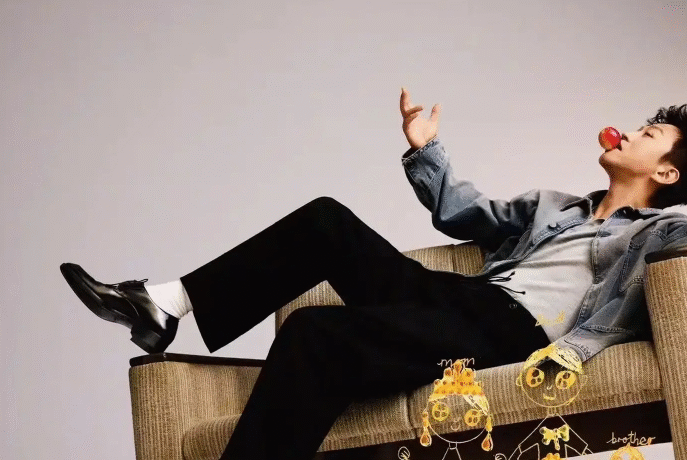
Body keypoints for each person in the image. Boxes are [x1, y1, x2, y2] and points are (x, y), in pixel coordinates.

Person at [60, 89, 686, 460]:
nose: (629, 132)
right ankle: (164, 303)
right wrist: (425, 149)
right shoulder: (557, 206)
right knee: (326, 221)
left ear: (667, 173)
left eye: (648, 133)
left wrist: (576, 349)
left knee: (313, 332)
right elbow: (466, 214)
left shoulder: (661, 231)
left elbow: (639, 290)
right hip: (461, 299)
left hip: (510, 330)